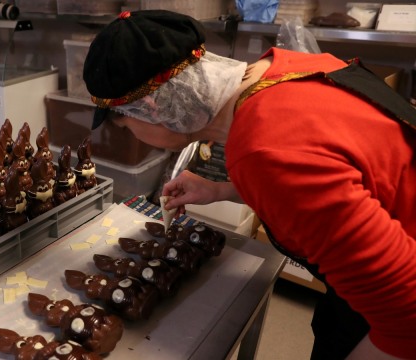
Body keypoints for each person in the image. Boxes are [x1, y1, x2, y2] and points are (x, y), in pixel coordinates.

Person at [82, 9, 416, 360]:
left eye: (124, 125)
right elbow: (333, 165)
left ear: (152, 107)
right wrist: (224, 189)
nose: (132, 135)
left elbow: (407, 318)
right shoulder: (284, 67)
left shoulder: (263, 150)